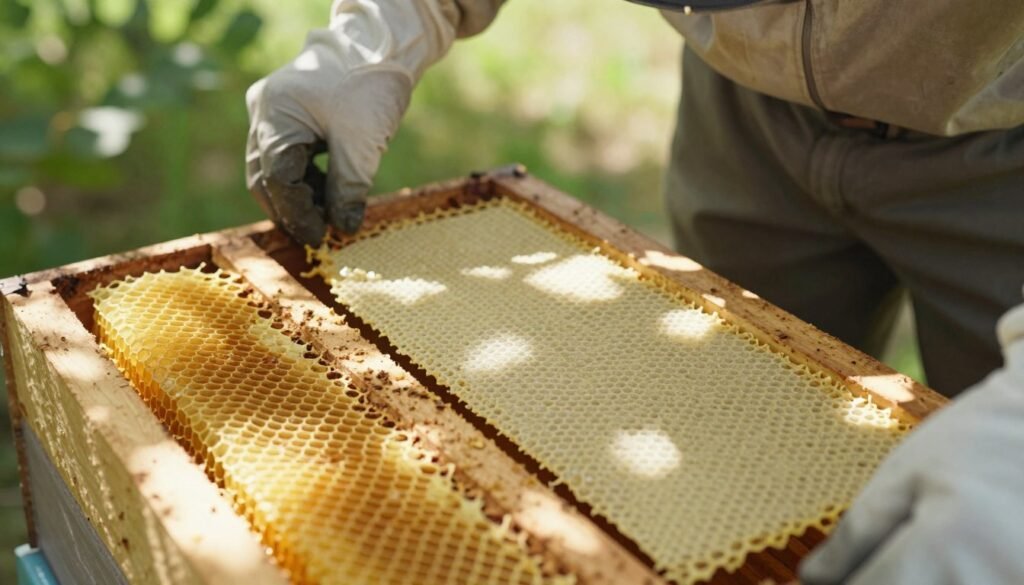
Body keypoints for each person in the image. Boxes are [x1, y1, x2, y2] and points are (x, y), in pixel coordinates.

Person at [245, 1, 1024, 582]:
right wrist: (385, 29)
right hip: (745, 109)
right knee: (727, 463)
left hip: (1001, 145)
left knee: (986, 517)